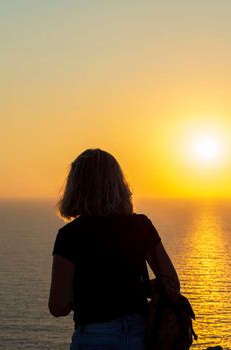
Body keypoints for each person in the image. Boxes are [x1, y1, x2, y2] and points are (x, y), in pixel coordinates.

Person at [49, 148, 180, 350]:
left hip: (94, 336)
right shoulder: (141, 226)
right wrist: (137, 290)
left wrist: (85, 295)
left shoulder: (70, 236)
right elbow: (171, 281)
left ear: (76, 187)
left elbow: (58, 306)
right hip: (140, 333)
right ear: (118, 184)